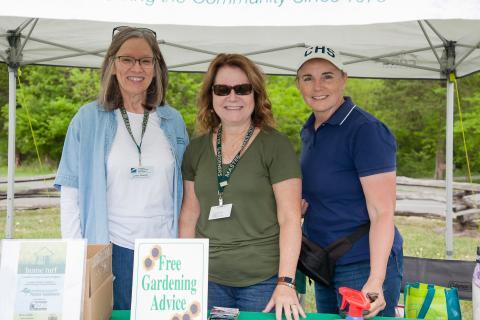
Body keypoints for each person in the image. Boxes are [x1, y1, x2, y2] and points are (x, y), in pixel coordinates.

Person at [54, 26, 188, 310]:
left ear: (156, 68)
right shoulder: (88, 119)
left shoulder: (172, 120)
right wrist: (78, 255)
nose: (136, 67)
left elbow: (187, 190)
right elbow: (70, 193)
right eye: (127, 59)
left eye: (145, 60)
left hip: (167, 251)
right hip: (113, 250)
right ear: (113, 65)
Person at [179, 53, 306, 320]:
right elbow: (190, 215)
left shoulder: (276, 146)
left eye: (242, 89)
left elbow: (290, 218)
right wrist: (186, 273)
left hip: (262, 281)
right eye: (222, 89)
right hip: (207, 279)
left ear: (256, 95)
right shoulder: (196, 149)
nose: (232, 97)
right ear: (211, 97)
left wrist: (285, 282)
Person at [296, 45, 403, 318]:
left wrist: (375, 280)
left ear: (344, 78)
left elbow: (383, 212)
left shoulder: (366, 130)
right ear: (298, 84)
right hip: (324, 262)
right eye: (307, 77)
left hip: (362, 264)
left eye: (327, 76)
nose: (317, 86)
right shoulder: (309, 130)